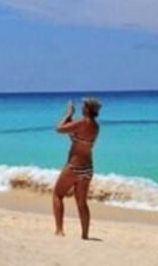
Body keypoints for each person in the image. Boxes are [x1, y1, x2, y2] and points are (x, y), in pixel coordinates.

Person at [52, 97, 101, 239]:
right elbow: (74, 136)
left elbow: (59, 128)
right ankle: (85, 235)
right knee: (82, 203)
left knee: (57, 194)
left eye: (84, 105)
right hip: (88, 168)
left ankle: (59, 230)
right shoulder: (95, 126)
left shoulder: (82, 122)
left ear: (87, 108)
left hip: (74, 166)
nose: (82, 107)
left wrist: (67, 114)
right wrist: (72, 118)